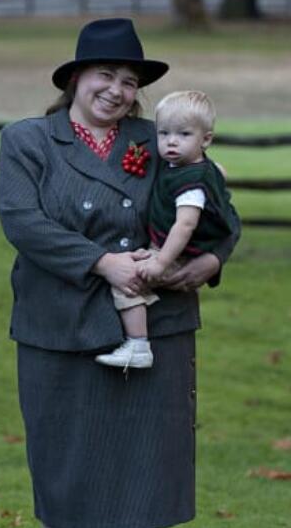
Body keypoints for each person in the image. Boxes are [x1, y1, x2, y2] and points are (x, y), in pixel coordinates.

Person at [0, 18, 240, 528]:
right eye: (104, 74)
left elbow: (216, 206)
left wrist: (210, 262)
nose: (115, 88)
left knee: (137, 485)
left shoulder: (159, 139)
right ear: (75, 77)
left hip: (154, 333)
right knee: (66, 481)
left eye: (129, 80)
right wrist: (103, 263)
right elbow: (23, 223)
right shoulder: (28, 140)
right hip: (60, 331)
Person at [95, 90, 236, 369]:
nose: (171, 142)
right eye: (164, 133)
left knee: (128, 281)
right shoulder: (193, 167)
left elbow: (185, 225)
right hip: (171, 251)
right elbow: (218, 172)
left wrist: (160, 261)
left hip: (177, 254)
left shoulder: (190, 185)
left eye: (183, 135)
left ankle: (138, 345)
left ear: (205, 139)